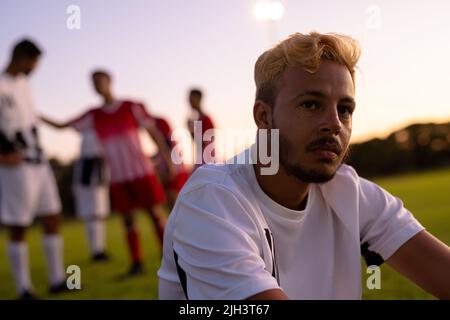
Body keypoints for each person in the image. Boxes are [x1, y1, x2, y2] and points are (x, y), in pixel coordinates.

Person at [158, 32, 450, 299]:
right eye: (311, 104)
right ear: (264, 117)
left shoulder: (350, 192)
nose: (334, 124)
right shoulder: (211, 200)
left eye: (345, 110)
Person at [44, 70, 174, 276]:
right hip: (117, 176)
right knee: (127, 220)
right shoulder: (93, 115)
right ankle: (137, 263)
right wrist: (35, 115)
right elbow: (62, 126)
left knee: (155, 214)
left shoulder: (131, 106)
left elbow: (153, 133)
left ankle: (169, 257)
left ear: (109, 81)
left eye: (99, 81)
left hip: (141, 171)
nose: (97, 86)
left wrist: (168, 160)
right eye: (93, 83)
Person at [0, 39, 66, 299]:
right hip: (15, 166)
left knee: (52, 216)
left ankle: (57, 279)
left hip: (39, 162)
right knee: (19, 225)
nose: (36, 67)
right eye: (34, 61)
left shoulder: (25, 85)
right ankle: (23, 289)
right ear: (22, 57)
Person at [41, 111, 110, 262]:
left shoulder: (106, 121)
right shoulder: (89, 118)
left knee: (99, 212)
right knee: (91, 212)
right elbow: (60, 125)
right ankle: (96, 249)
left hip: (100, 168)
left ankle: (100, 248)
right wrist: (38, 116)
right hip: (87, 168)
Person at [152, 115, 189, 210]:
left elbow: (166, 152)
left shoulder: (165, 140)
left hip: (172, 174)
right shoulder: (171, 141)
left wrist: (168, 167)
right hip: (177, 172)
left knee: (175, 207)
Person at [186, 88, 215, 171]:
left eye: (191, 98)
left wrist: (191, 130)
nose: (189, 102)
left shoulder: (206, 120)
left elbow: (203, 144)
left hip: (206, 164)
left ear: (198, 99)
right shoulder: (199, 120)